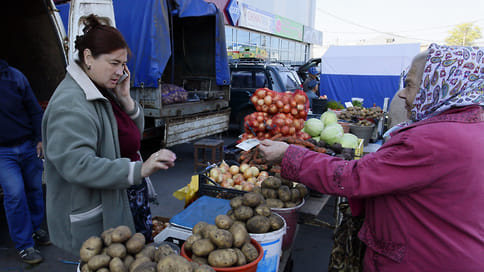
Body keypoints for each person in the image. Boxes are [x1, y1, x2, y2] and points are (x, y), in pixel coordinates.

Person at [258, 43, 484, 271]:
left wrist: (289, 154)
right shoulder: (472, 126)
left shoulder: (433, 139)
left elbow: (353, 178)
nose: (402, 93)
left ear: (441, 85)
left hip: (420, 259)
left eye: (410, 84)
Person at [41, 14, 176, 256]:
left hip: (121, 199)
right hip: (96, 215)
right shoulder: (71, 102)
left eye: (123, 64)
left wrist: (125, 98)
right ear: (88, 57)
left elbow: (131, 133)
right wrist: (139, 170)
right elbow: (77, 165)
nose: (121, 71)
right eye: (114, 63)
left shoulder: (102, 87)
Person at [0, 59, 51, 264]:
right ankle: (24, 246)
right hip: (3, 153)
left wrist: (40, 138)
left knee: (34, 189)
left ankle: (36, 227)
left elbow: (34, 109)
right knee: (14, 194)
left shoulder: (14, 76)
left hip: (28, 146)